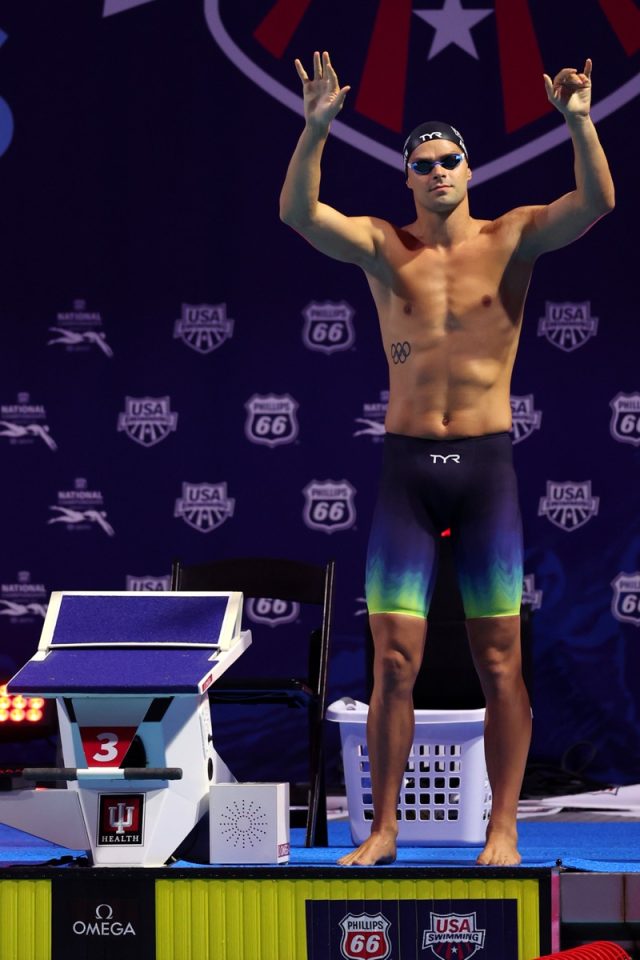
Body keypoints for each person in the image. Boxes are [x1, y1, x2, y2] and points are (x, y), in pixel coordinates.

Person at [280, 51, 614, 867]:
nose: (437, 172)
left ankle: (503, 828)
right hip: (406, 474)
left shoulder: (511, 238)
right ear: (408, 178)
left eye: (449, 160)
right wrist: (315, 128)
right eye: (422, 164)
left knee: (501, 659)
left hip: (485, 470)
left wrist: (578, 122)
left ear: (471, 169)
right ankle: (384, 829)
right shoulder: (383, 248)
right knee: (394, 662)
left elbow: (598, 202)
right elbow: (299, 214)